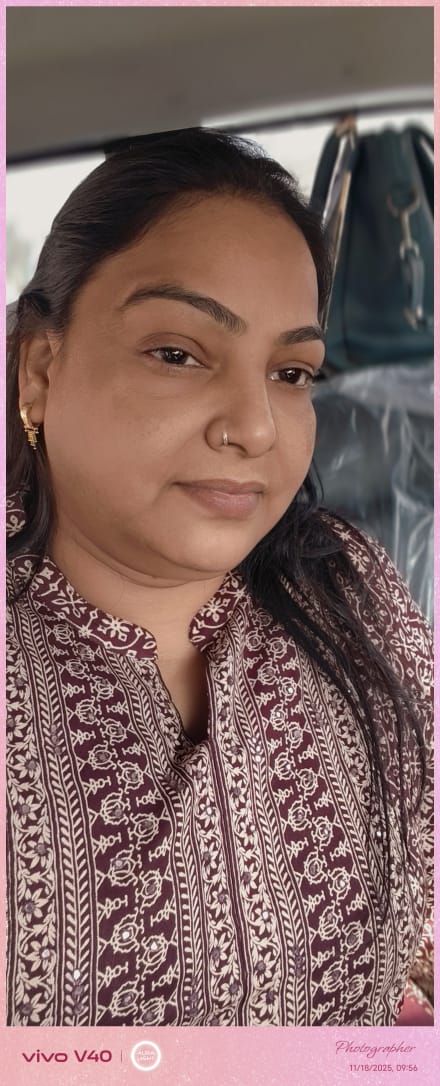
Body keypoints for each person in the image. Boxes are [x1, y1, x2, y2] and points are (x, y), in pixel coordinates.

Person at [6, 128, 433, 1027]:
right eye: (178, 353)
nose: (257, 426)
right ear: (40, 368)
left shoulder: (346, 587)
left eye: (292, 372)